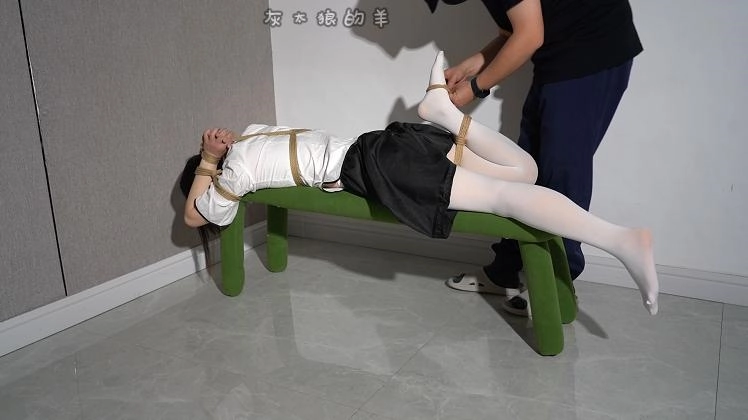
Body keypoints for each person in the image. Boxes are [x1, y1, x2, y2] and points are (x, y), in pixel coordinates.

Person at [182, 51, 659, 315]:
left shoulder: (253, 135)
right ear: (212, 172)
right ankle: (619, 239)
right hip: (378, 165)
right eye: (213, 147)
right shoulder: (236, 173)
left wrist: (219, 150)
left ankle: (442, 111)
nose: (219, 136)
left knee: (519, 180)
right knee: (520, 179)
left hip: (379, 150)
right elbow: (194, 215)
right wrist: (208, 160)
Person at [425, 0, 644, 317]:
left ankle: (557, 285)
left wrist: (475, 88)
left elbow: (529, 37)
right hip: (557, 58)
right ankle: (506, 269)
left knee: (562, 171)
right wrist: (469, 69)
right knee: (526, 169)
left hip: (593, 52)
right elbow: (511, 33)